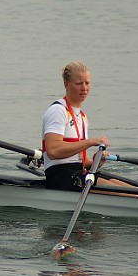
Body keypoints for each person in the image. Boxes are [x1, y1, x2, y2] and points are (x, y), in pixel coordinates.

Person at [41, 61, 111, 191]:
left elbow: (81, 160)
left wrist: (97, 161)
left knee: (131, 189)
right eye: (79, 83)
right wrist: (90, 142)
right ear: (66, 85)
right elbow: (53, 151)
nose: (84, 88)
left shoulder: (82, 117)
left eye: (87, 83)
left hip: (78, 174)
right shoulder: (58, 111)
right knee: (134, 196)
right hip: (60, 176)